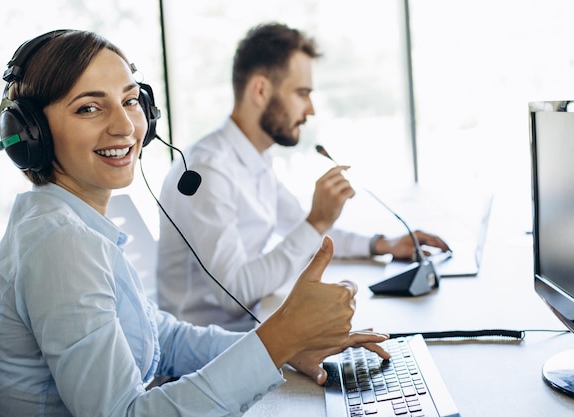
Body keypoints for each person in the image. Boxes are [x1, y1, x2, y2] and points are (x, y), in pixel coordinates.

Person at [0, 29, 391, 416]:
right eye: (89, 108)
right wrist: (280, 336)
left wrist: (284, 347)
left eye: (131, 102)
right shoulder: (60, 244)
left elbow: (160, 336)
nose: (126, 127)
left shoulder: (71, 223)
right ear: (30, 134)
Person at [157, 22, 450, 331]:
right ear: (260, 90)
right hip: (205, 355)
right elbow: (236, 293)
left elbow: (306, 233)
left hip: (249, 330)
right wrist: (317, 222)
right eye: (302, 93)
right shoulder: (207, 170)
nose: (310, 109)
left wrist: (383, 245)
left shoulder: (253, 159)